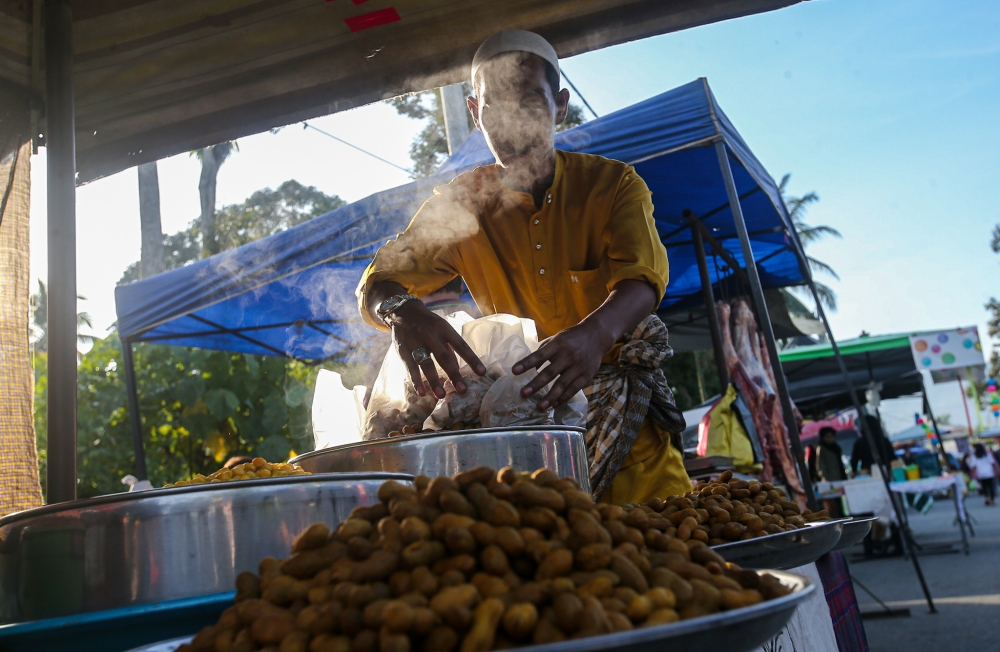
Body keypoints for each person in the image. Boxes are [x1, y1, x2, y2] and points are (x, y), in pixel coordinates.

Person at [356, 30, 688, 501]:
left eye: (531, 100)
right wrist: (400, 310)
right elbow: (379, 279)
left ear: (561, 105)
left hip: (636, 452)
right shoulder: (464, 204)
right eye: (495, 107)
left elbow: (642, 279)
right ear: (476, 114)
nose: (513, 122)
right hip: (527, 442)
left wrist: (596, 334)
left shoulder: (613, 186)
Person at [363, 277, 480, 407]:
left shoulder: (392, 332)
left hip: (409, 422)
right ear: (461, 287)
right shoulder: (485, 320)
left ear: (414, 289)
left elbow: (369, 400)